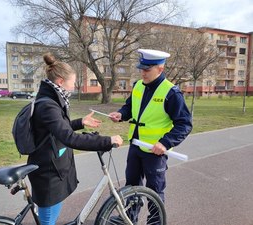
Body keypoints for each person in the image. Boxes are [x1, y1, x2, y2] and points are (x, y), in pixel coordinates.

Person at [28, 52, 123, 225]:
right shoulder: (49, 104)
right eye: (73, 82)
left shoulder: (52, 99)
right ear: (61, 82)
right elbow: (70, 138)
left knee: (49, 218)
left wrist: (81, 122)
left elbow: (56, 129)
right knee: (48, 221)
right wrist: (107, 141)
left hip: (51, 167)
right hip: (49, 173)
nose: (74, 85)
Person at [109, 49, 192, 223]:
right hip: (135, 146)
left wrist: (165, 143)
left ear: (160, 69)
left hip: (155, 151)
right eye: (142, 69)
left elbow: (184, 124)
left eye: (147, 70)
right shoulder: (138, 85)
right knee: (131, 186)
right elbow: (130, 107)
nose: (143, 73)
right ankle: (128, 218)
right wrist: (121, 114)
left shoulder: (171, 93)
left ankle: (155, 222)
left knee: (154, 191)